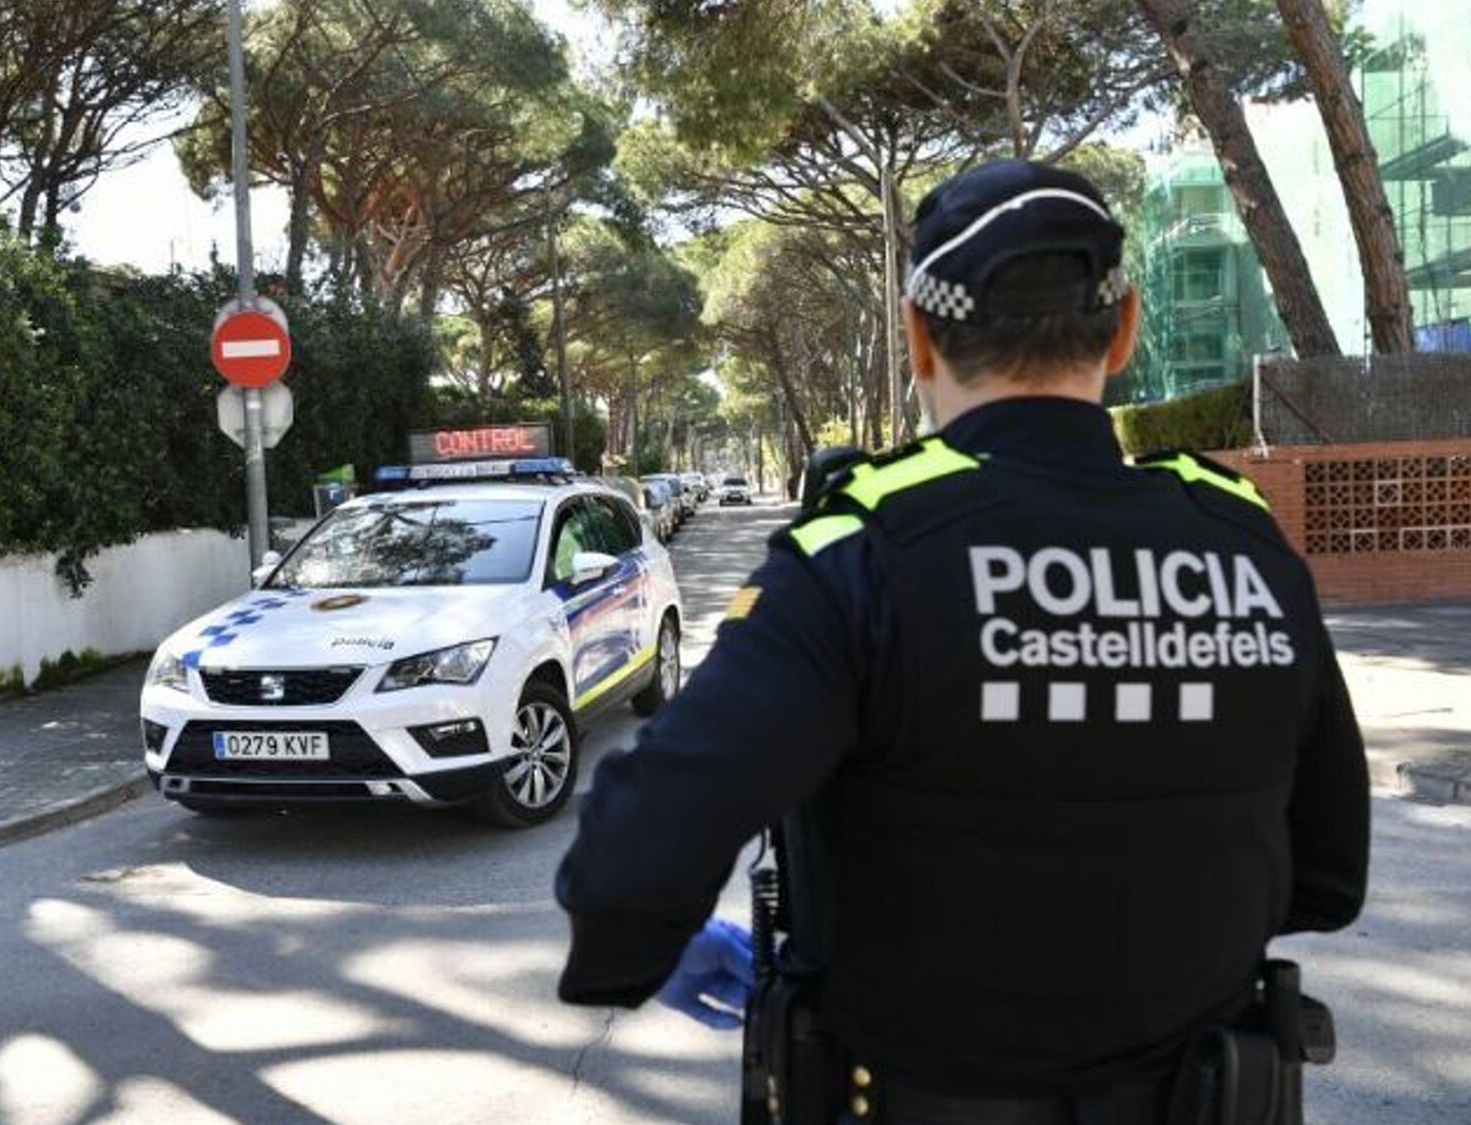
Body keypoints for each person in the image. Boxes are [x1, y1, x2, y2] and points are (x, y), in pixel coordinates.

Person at [554, 159, 1370, 1123]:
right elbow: (1325, 873)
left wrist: (653, 937)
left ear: (917, 337)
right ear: (1125, 328)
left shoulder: (858, 556)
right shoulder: (1245, 542)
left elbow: (626, 872)